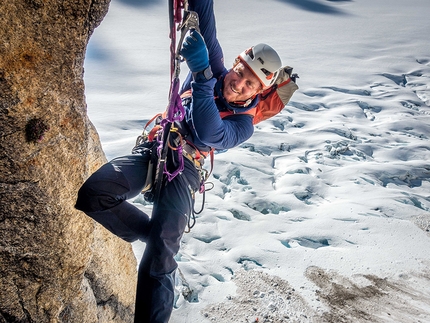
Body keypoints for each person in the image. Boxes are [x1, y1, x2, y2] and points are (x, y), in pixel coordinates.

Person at [75, 0, 297, 322]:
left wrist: (202, 75)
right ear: (235, 63)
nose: (238, 84)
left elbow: (208, 133)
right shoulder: (215, 65)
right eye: (240, 72)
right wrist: (207, 68)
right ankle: (153, 235)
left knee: (160, 260)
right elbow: (203, 13)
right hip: (157, 149)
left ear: (260, 91)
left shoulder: (243, 124)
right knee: (95, 195)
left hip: (186, 169)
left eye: (250, 83)